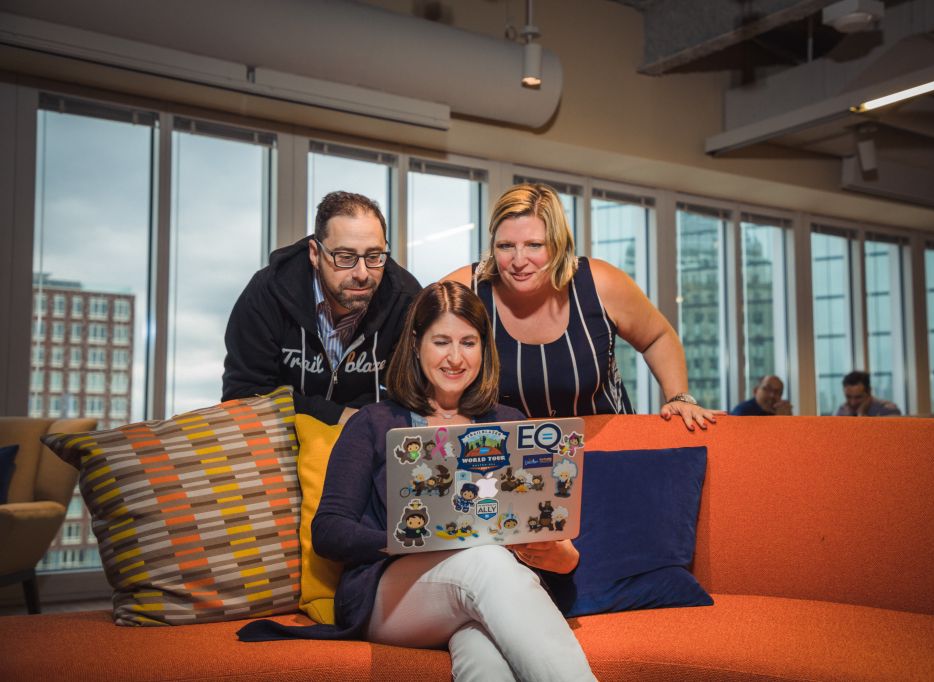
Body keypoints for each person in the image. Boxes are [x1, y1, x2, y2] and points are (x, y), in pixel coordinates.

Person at [310, 281, 595, 681]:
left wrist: (565, 558)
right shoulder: (373, 423)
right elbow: (328, 531)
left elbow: (538, 523)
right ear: (416, 344)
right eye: (441, 341)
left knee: (485, 656)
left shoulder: (508, 423)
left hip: (481, 594)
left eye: (469, 342)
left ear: (484, 347)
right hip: (393, 595)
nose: (456, 358)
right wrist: (411, 538)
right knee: (484, 558)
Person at [444, 183, 718, 431]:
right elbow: (421, 352)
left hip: (607, 449)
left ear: (559, 245)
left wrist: (679, 397)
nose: (518, 260)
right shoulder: (464, 290)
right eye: (505, 246)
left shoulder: (601, 283)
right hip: (510, 460)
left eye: (534, 245)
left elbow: (657, 338)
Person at [222, 191, 420, 424]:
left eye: (374, 256)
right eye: (345, 257)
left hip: (367, 438)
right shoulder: (268, 293)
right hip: (284, 441)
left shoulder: (404, 298)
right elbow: (244, 396)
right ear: (315, 254)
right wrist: (335, 415)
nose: (362, 273)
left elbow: (418, 391)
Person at [834, 371, 902, 416]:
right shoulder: (842, 411)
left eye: (858, 397)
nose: (853, 402)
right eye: (848, 397)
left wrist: (862, 414)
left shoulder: (888, 409)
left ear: (869, 391)